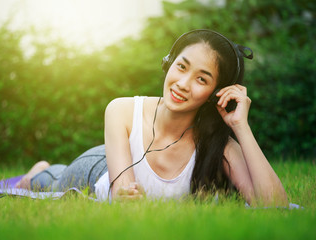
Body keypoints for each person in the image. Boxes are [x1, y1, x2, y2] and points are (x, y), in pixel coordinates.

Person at [16, 29, 288, 206]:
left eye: (201, 79)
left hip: (125, 154)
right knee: (47, 183)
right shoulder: (120, 110)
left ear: (215, 93)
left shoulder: (221, 147)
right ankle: (39, 169)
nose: (182, 83)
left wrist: (240, 126)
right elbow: (124, 200)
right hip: (96, 169)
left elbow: (276, 206)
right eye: (181, 67)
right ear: (169, 62)